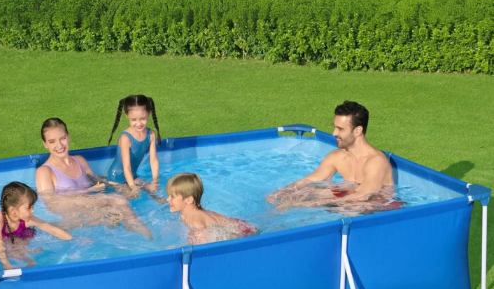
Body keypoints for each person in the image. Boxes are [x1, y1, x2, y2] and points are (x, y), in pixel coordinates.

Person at [266, 101, 397, 212]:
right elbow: (309, 180)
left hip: (377, 209)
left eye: (340, 129)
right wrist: (282, 192)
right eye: (335, 127)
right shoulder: (337, 157)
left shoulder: (376, 161)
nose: (334, 133)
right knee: (305, 192)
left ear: (357, 131)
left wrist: (313, 204)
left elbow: (364, 195)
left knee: (357, 206)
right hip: (349, 197)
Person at [35, 118, 152, 238]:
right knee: (117, 201)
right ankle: (139, 229)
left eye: (62, 138)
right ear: (45, 144)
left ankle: (136, 231)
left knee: (118, 209)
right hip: (74, 218)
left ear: (68, 136)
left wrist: (123, 186)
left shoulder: (80, 161)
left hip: (92, 209)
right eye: (52, 141)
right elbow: (52, 206)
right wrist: (88, 192)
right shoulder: (44, 172)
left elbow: (98, 181)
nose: (59, 145)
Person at [0, 182, 72, 269]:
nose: (33, 211)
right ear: (13, 210)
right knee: (6, 249)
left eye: (33, 206)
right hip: (5, 238)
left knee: (23, 253)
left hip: (24, 234)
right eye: (29, 208)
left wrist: (73, 240)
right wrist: (6, 264)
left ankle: (27, 257)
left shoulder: (28, 220)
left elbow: (53, 230)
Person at [166, 173, 259, 245]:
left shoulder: (197, 222)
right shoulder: (185, 215)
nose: (167, 199)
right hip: (238, 224)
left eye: (172, 196)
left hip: (245, 232)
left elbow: (203, 249)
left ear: (189, 200)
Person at [106, 95, 160, 198]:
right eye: (134, 119)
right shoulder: (126, 138)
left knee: (155, 193)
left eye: (143, 118)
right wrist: (133, 187)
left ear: (148, 113)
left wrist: (155, 181)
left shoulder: (151, 134)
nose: (139, 123)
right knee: (130, 199)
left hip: (133, 175)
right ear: (127, 116)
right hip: (116, 179)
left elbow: (153, 161)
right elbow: (126, 167)